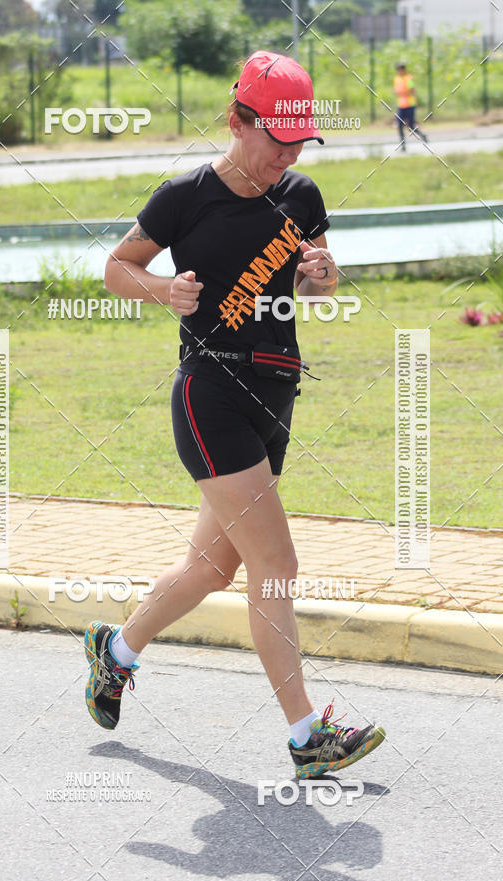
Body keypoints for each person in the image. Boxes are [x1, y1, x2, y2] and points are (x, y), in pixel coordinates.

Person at [85, 50, 385, 779]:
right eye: (275, 137)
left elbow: (320, 282)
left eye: (298, 142)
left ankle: (114, 652)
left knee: (213, 566)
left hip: (276, 394)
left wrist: (320, 277)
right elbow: (116, 267)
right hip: (210, 395)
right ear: (237, 119)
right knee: (275, 564)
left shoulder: (302, 195)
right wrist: (164, 292)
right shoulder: (184, 196)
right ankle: (306, 733)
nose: (286, 154)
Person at [393, 62, 428, 150]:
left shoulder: (409, 78)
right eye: (398, 70)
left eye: (401, 70)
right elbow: (396, 90)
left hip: (410, 105)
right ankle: (403, 144)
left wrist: (403, 93)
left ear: (404, 70)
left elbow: (412, 90)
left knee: (411, 126)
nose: (399, 72)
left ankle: (422, 135)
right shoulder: (396, 79)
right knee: (399, 125)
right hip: (401, 105)